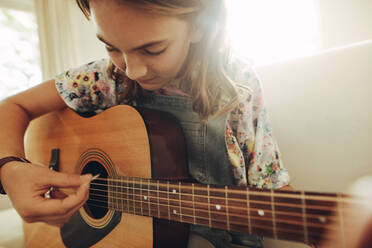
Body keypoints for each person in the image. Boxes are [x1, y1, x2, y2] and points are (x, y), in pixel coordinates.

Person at [0, 0, 291, 247]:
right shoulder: (107, 79)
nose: (133, 70)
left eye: (153, 49)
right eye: (112, 47)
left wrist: (323, 228)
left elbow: (272, 189)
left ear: (200, 24)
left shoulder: (238, 88)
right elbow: (11, 106)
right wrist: (9, 168)